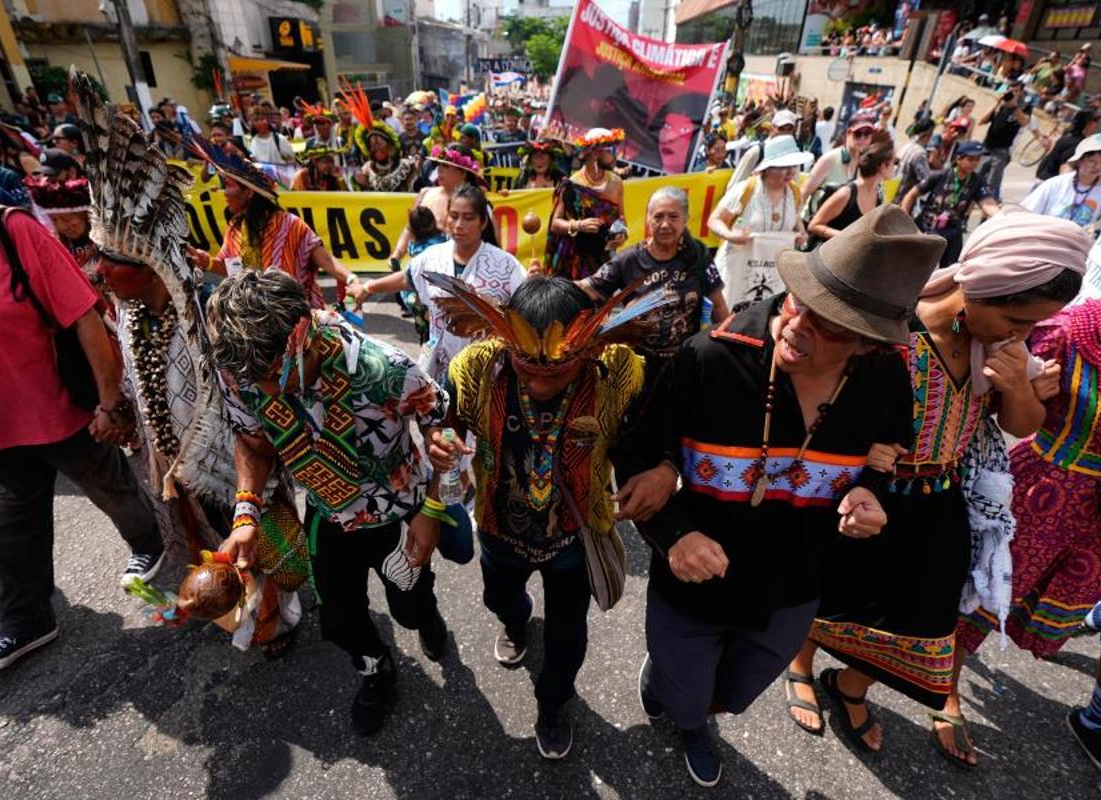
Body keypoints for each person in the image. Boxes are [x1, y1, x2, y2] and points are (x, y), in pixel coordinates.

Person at [613, 205, 942, 786]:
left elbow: (886, 456)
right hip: (692, 585)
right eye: (799, 301)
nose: (797, 326)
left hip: (792, 591)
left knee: (736, 694)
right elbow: (637, 455)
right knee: (685, 702)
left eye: (830, 323)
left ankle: (691, 702)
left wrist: (869, 495)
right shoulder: (708, 357)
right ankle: (683, 712)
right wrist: (674, 533)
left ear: (869, 345)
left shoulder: (886, 378)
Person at [791, 211, 1088, 765]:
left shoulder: (997, 346)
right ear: (980, 287)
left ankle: (849, 687)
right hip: (865, 491)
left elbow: (1022, 424)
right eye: (1014, 317)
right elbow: (825, 397)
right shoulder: (894, 326)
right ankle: (801, 666)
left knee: (922, 614)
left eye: (1034, 325)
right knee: (834, 589)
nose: (1020, 333)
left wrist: (1019, 382)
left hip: (939, 495)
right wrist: (862, 447)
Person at [70, 77, 302, 654]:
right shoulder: (128, 312)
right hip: (174, 466)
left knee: (266, 548)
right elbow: (134, 375)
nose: (97, 272)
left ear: (149, 264)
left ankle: (277, 616)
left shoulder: (213, 306)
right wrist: (120, 410)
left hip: (239, 460)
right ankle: (236, 608)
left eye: (109, 260)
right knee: (207, 549)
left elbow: (259, 397)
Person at [951, 201, 1101, 794]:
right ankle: (942, 689)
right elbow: (1008, 410)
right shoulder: (1081, 327)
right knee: (977, 596)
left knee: (1035, 607)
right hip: (1042, 487)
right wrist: (1028, 386)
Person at [425, 273, 664, 759]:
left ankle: (554, 702)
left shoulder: (621, 372)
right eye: (525, 369)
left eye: (555, 374)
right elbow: (446, 423)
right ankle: (515, 623)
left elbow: (651, 432)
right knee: (500, 599)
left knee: (568, 634)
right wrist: (440, 442)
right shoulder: (474, 368)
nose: (537, 383)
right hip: (498, 528)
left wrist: (659, 469)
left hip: (574, 538)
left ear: (589, 348)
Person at [207, 269, 452, 736]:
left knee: (410, 607)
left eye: (268, 375)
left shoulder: (384, 369)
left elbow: (440, 417)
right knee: (340, 620)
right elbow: (255, 444)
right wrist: (246, 514)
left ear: (301, 337)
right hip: (327, 512)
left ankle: (426, 613)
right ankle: (376, 668)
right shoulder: (242, 373)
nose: (263, 389)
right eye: (250, 379)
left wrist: (432, 509)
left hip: (399, 509)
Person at [0, 181, 165, 677]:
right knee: (10, 525)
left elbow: (84, 317)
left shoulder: (8, 230)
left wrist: (108, 401)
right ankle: (26, 620)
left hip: (59, 412)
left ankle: (150, 544)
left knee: (111, 487)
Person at [362, 184, 526, 383]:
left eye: (468, 218)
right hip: (439, 371)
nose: (458, 224)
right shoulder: (432, 257)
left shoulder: (506, 265)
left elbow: (524, 309)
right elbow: (408, 278)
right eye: (453, 216)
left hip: (488, 373)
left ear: (483, 222)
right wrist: (368, 287)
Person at [187, 142, 363, 309]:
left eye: (228, 186)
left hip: (292, 315)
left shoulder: (289, 224)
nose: (224, 193)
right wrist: (207, 262)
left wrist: (351, 279)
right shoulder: (235, 227)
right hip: (251, 316)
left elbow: (324, 258)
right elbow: (233, 267)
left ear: (248, 192)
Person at [580, 187, 728, 374]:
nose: (665, 224)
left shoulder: (698, 255)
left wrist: (730, 344)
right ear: (648, 220)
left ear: (685, 220)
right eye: (658, 217)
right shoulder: (628, 260)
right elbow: (588, 288)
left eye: (673, 217)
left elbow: (719, 306)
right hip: (638, 368)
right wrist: (544, 283)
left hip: (687, 364)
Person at [709, 135, 812, 309]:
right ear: (767, 168)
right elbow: (714, 220)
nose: (790, 172)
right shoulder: (745, 189)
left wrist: (801, 233)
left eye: (792, 167)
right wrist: (730, 235)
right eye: (782, 167)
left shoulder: (794, 193)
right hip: (737, 270)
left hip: (772, 276)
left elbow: (795, 219)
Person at [547, 128, 628, 281]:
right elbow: (555, 224)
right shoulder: (571, 183)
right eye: (610, 149)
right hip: (576, 259)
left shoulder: (616, 182)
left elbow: (621, 219)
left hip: (604, 257)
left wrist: (622, 234)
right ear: (594, 151)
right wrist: (579, 225)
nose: (615, 154)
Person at [903, 141, 1000, 267]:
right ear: (959, 159)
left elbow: (988, 204)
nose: (975, 163)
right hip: (927, 229)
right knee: (915, 267)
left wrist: (1001, 217)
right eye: (971, 159)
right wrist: (905, 221)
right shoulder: (939, 175)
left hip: (952, 232)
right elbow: (911, 195)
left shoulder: (977, 182)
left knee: (950, 271)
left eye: (978, 159)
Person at [390, 143, 484, 265]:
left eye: (445, 166)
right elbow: (410, 228)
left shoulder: (476, 202)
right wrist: (397, 254)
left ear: (463, 173)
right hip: (422, 269)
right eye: (438, 164)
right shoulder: (425, 193)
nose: (439, 169)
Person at [1022, 134, 1101, 230]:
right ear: (1079, 161)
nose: (1098, 167)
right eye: (1092, 161)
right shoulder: (1056, 184)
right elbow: (1026, 211)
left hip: (1080, 243)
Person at [807, 134, 895, 244]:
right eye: (893, 163)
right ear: (883, 167)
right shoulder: (846, 193)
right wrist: (847, 238)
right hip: (828, 255)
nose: (895, 168)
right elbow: (814, 225)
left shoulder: (879, 195)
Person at [798, 112, 877, 211]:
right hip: (812, 222)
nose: (862, 139)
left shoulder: (864, 165)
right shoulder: (829, 159)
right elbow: (804, 193)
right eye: (858, 134)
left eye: (867, 134)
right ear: (848, 133)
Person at [980, 82, 1033, 200]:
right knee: (975, 180)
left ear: (1021, 93)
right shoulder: (1001, 106)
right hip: (986, 147)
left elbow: (1024, 122)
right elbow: (982, 121)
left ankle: (986, 216)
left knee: (991, 187)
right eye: (1011, 91)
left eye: (1016, 91)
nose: (1013, 94)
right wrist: (997, 103)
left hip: (1001, 152)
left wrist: (1014, 106)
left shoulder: (1024, 107)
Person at [1035, 108, 1101, 182]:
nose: (1098, 125)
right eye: (1095, 121)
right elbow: (1064, 171)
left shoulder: (1069, 134)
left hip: (1044, 177)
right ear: (1086, 123)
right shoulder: (1076, 143)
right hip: (1049, 182)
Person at [895, 118, 937, 202]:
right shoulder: (919, 153)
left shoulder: (906, 146)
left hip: (890, 192)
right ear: (929, 133)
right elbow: (926, 179)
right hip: (902, 198)